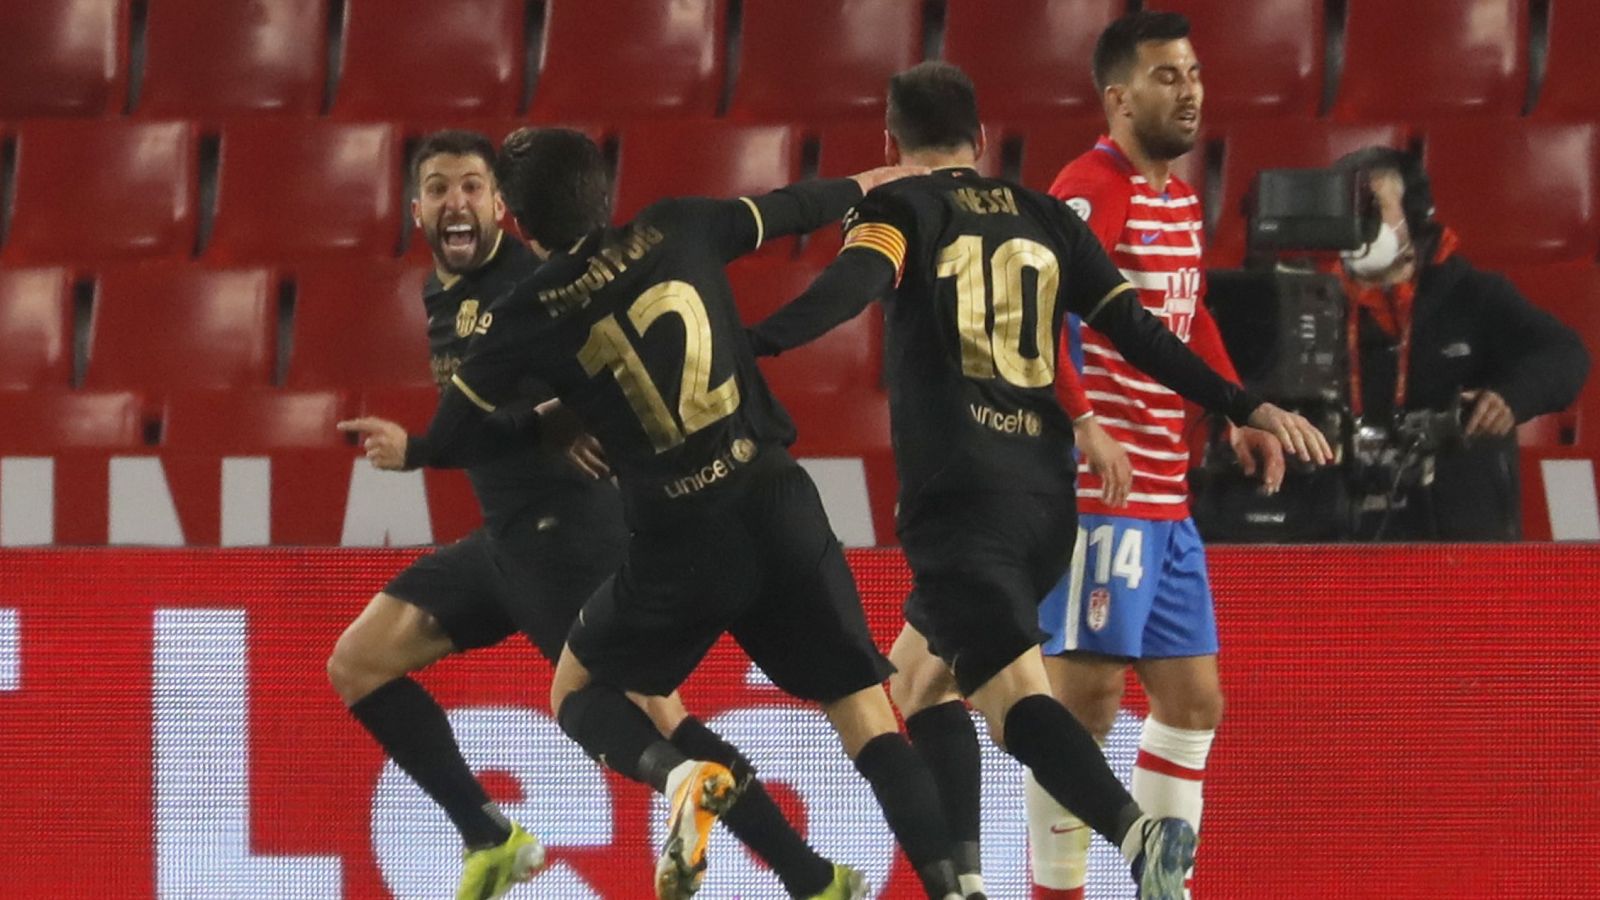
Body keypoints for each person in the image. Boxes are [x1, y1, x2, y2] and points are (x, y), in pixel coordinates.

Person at [747, 61, 1330, 900]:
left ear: (889, 143)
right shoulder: (1045, 213)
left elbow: (848, 291)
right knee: (919, 683)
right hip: (1048, 504)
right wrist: (1243, 404)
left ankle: (1137, 832)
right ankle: (968, 886)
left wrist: (751, 344)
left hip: (959, 502)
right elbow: (1142, 333)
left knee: (1017, 697)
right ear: (981, 140)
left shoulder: (900, 206)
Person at [391, 126, 973, 900]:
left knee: (576, 693)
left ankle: (679, 775)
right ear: (605, 190)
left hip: (680, 536)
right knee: (865, 712)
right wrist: (871, 182)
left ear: (517, 221)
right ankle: (956, 889)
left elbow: (459, 436)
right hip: (774, 497)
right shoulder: (678, 224)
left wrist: (450, 443)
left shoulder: (522, 313)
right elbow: (792, 207)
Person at [1021, 12, 1290, 898]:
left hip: (1165, 493)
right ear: (1118, 96)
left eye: (1194, 74)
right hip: (1104, 491)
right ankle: (1056, 891)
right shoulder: (1089, 188)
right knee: (1084, 705)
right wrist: (1083, 420)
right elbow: (1041, 316)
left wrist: (1236, 409)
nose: (1190, 91)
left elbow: (1189, 316)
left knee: (1193, 703)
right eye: (1167, 77)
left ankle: (1157, 886)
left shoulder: (1179, 195)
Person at [1329, 145, 1590, 541]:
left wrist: (1511, 398)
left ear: (1415, 219)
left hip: (1458, 535)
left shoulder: (1474, 295)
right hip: (1336, 536)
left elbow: (1566, 355)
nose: (1355, 225)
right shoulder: (1311, 301)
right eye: (1345, 211)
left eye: (1372, 210)